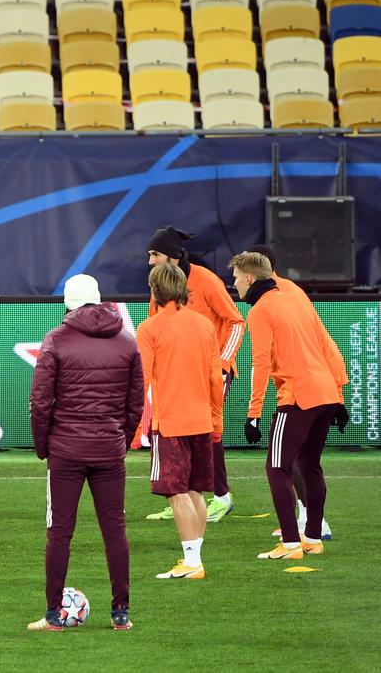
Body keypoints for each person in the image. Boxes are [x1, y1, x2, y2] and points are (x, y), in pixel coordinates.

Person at [27, 274, 141, 631]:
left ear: (68, 302)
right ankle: (121, 614)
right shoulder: (126, 342)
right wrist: (120, 438)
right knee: (115, 530)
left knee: (59, 532)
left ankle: (52, 615)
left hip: (66, 450)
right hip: (109, 450)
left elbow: (40, 401)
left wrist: (44, 445)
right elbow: (135, 403)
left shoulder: (56, 340)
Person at [229, 252, 348, 560]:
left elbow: (260, 364)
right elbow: (326, 342)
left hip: (297, 397)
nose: (233, 282)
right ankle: (312, 538)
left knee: (277, 467)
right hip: (325, 394)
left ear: (250, 278)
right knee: (310, 465)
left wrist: (253, 413)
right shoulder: (295, 296)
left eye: (236, 277)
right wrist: (339, 392)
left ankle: (291, 544)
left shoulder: (260, 311)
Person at [142, 226, 244, 523]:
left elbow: (236, 322)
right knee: (170, 433)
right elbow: (155, 325)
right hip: (177, 372)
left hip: (210, 370)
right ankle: (180, 495)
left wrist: (223, 362)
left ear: (173, 257)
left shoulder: (206, 280)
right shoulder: (159, 286)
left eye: (155, 254)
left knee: (207, 430)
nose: (150, 261)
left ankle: (221, 498)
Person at [136, 263, 223, 580]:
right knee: (196, 491)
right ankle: (194, 558)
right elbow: (216, 378)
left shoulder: (150, 329)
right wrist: (217, 420)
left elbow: (140, 381)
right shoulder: (204, 325)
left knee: (177, 494)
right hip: (201, 420)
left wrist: (134, 427)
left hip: (170, 423)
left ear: (155, 291)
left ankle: (191, 562)